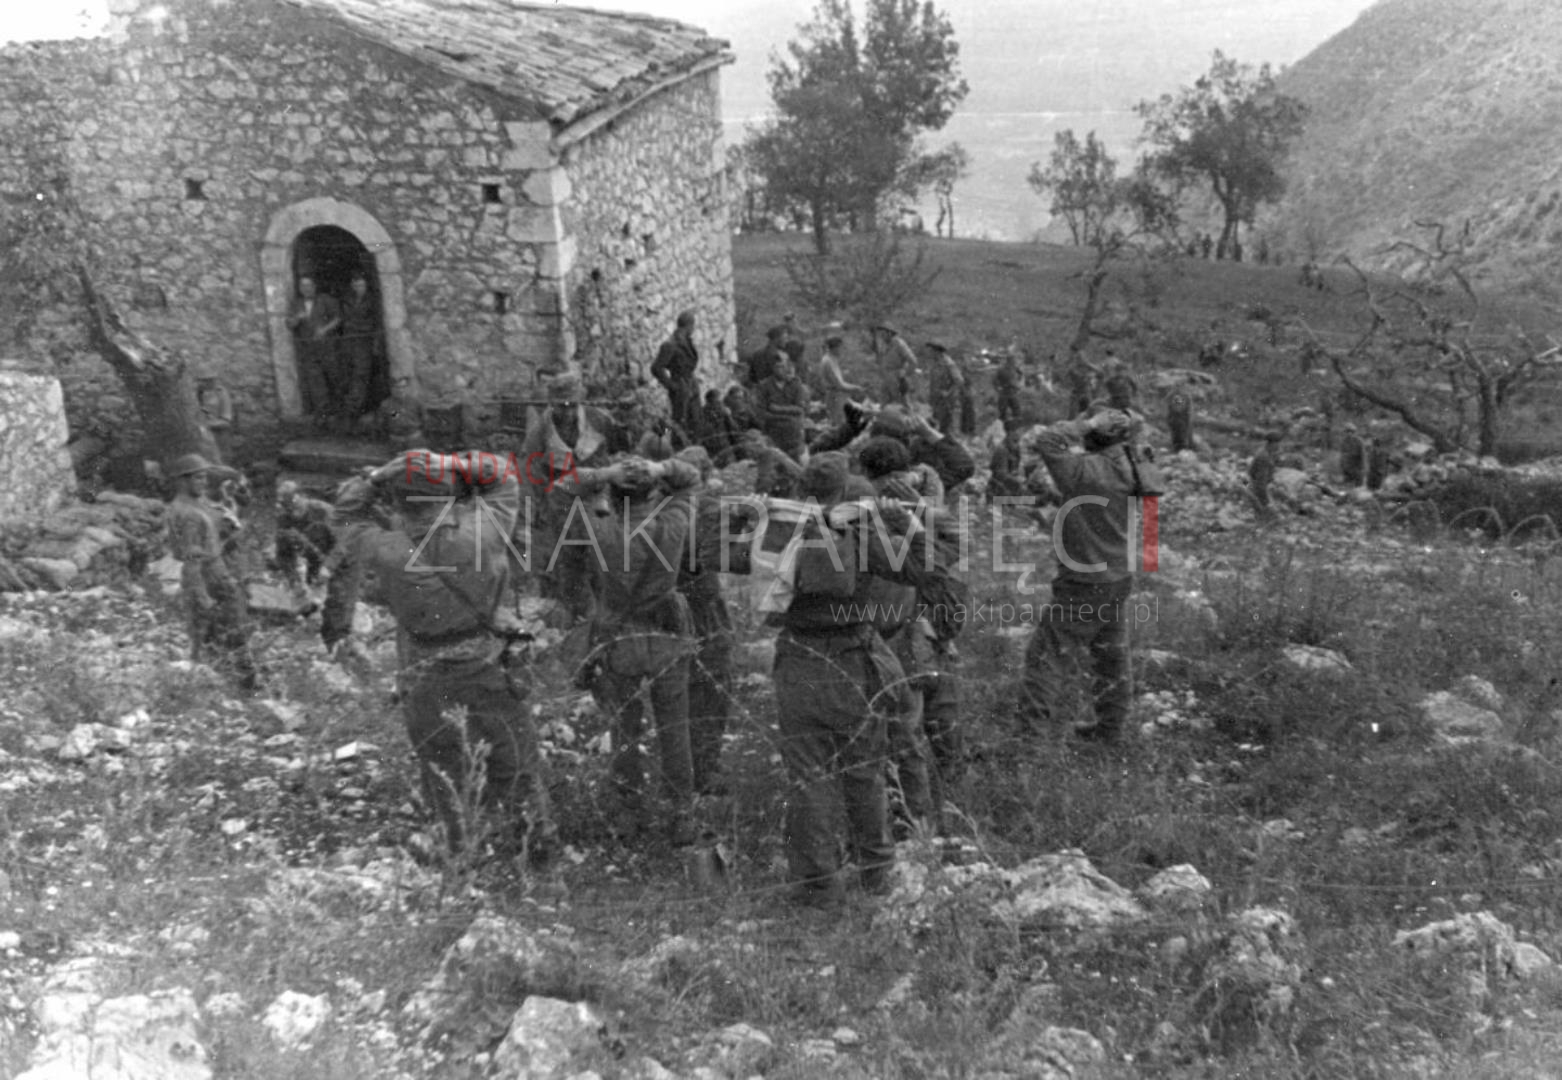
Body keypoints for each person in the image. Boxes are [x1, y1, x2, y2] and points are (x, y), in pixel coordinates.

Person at [351, 449, 557, 862]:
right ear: (445, 491)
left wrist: (375, 477)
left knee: (442, 763)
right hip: (486, 659)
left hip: (424, 668)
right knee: (514, 753)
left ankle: (461, 846)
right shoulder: (483, 528)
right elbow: (502, 475)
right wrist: (449, 464)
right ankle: (538, 843)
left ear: (397, 498)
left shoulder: (383, 547)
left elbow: (347, 510)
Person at [771, 454, 929, 906]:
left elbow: (717, 552)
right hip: (852, 660)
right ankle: (876, 871)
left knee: (808, 777)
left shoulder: (780, 527)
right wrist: (909, 523)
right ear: (843, 489)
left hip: (798, 659)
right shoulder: (859, 533)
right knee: (864, 771)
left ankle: (818, 884)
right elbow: (920, 569)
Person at [579, 456, 703, 844]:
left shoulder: (600, 528)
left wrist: (604, 474)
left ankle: (628, 813)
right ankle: (682, 814)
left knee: (624, 728)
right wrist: (662, 468)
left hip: (621, 639)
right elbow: (690, 478)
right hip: (668, 635)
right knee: (675, 728)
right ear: (654, 494)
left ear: (614, 497)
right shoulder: (674, 523)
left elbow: (568, 485)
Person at [1015, 410, 1143, 744]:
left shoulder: (1083, 470)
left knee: (1045, 656)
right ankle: (1110, 729)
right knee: (1112, 654)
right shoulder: (1132, 466)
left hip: (1084, 581)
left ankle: (1031, 742)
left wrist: (1088, 422)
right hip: (1118, 576)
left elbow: (1047, 439)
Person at [165, 452, 258, 692]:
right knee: (229, 628)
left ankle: (225, 679)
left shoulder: (196, 504)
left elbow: (212, 531)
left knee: (220, 630)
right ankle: (243, 684)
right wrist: (203, 597)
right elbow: (192, 562)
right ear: (182, 481)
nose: (204, 483)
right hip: (208, 577)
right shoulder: (189, 514)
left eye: (205, 477)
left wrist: (228, 530)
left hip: (216, 569)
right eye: (198, 478)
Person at [674, 446, 736, 795]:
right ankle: (704, 768)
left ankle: (689, 764)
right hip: (702, 611)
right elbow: (709, 573)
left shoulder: (661, 510)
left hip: (673, 610)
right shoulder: (700, 512)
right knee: (712, 689)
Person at [286, 276, 341, 426]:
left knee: (334, 377)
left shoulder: (325, 300)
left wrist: (324, 330)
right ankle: (323, 414)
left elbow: (338, 319)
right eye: (303, 286)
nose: (306, 289)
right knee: (316, 382)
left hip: (328, 347)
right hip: (308, 349)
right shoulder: (296, 304)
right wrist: (297, 319)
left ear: (314, 286)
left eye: (309, 285)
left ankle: (341, 413)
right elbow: (289, 324)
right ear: (300, 288)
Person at [273, 480, 336, 586]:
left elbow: (344, 541)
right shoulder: (284, 520)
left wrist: (330, 566)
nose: (294, 513)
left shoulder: (324, 511)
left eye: (296, 507)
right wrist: (293, 578)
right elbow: (283, 554)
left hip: (341, 561)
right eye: (289, 509)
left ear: (303, 497)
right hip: (314, 562)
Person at [338, 271, 380, 429]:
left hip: (365, 342)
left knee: (361, 374)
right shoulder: (347, 299)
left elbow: (374, 323)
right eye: (355, 285)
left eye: (361, 285)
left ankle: (355, 410)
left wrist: (357, 327)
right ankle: (351, 409)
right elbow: (344, 320)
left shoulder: (372, 300)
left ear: (366, 285)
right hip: (349, 343)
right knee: (349, 374)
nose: (358, 288)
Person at [651, 310, 701, 440]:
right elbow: (656, 368)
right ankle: (675, 446)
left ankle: (693, 446)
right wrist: (673, 386)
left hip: (691, 384)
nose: (693, 329)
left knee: (695, 421)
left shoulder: (687, 341)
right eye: (693, 326)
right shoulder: (671, 344)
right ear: (689, 325)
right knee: (680, 423)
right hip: (681, 386)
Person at [753, 352, 809, 463]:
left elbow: (800, 409)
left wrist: (777, 409)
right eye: (778, 367)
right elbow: (761, 413)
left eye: (783, 366)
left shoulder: (795, 384)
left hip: (794, 433)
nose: (781, 370)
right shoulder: (764, 386)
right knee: (775, 462)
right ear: (772, 368)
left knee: (795, 463)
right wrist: (786, 416)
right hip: (774, 432)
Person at [816, 326, 865, 427]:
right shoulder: (828, 361)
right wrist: (856, 388)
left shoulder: (832, 359)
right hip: (835, 397)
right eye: (841, 347)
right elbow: (839, 385)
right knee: (839, 424)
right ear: (835, 348)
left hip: (838, 395)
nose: (842, 350)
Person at [873, 325, 921, 407]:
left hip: (897, 380)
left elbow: (913, 362)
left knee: (903, 405)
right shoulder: (884, 345)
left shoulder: (899, 344)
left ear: (889, 333)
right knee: (884, 406)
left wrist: (904, 374)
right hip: (887, 379)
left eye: (883, 334)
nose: (881, 336)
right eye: (880, 334)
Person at [927, 342, 967, 435]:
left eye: (931, 351)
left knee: (945, 428)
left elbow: (959, 381)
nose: (929, 353)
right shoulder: (936, 363)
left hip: (946, 402)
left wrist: (948, 392)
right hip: (936, 400)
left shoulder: (948, 364)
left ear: (937, 352)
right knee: (935, 425)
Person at [195, 376, 235, 464]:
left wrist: (206, 425)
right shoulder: (192, 393)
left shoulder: (221, 392)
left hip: (218, 436)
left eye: (210, 380)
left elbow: (226, 421)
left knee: (220, 463)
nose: (205, 383)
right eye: (203, 381)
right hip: (199, 440)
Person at [994, 350, 1023, 431]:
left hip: (1012, 393)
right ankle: (1002, 429)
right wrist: (998, 388)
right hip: (1004, 393)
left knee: (1017, 412)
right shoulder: (1001, 369)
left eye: (1014, 360)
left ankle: (1015, 429)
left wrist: (1018, 384)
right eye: (1013, 360)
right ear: (1009, 360)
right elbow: (995, 381)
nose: (1014, 361)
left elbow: (1021, 375)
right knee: (1003, 413)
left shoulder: (1015, 368)